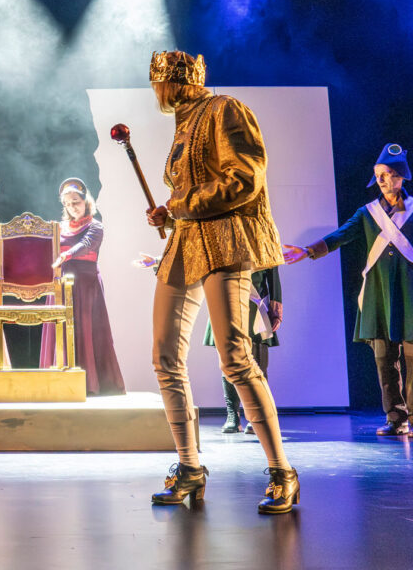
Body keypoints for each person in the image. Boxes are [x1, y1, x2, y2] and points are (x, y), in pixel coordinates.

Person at [143, 50, 298, 514]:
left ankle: (282, 473)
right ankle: (189, 467)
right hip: (186, 242)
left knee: (235, 356)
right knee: (165, 356)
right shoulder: (184, 123)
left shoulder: (224, 108)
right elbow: (191, 193)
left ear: (174, 82)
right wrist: (170, 213)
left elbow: (245, 178)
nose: (156, 93)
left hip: (225, 240)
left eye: (158, 85)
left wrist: (179, 204)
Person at [284, 144, 413, 438]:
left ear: (400, 177)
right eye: (378, 174)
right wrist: (308, 251)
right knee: (384, 359)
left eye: (387, 174)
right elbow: (341, 235)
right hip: (378, 293)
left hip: (412, 291)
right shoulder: (367, 213)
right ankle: (395, 417)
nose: (381, 180)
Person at [39, 178, 126, 395]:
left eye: (76, 202)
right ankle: (58, 383)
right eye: (68, 204)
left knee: (87, 330)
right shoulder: (59, 227)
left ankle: (91, 383)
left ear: (86, 201)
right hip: (61, 283)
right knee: (61, 329)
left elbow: (86, 245)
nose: (72, 207)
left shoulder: (95, 226)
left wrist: (65, 255)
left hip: (85, 285)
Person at [203, 267, 282, 433]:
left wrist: (276, 304)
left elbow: (272, 268)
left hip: (254, 300)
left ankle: (258, 415)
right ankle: (233, 415)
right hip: (226, 299)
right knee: (228, 360)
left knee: (258, 362)